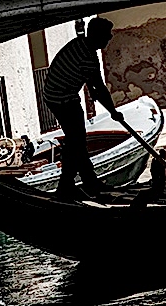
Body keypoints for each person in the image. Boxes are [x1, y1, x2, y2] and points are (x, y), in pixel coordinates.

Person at [42, 17, 123, 201]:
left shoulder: (81, 45)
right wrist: (113, 112)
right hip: (62, 99)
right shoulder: (88, 56)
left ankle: (86, 182)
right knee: (76, 142)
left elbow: (89, 81)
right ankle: (70, 186)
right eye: (107, 35)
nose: (109, 38)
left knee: (76, 142)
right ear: (96, 35)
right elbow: (99, 88)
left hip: (58, 95)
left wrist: (91, 88)